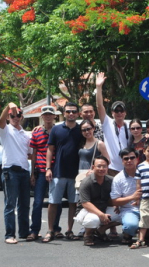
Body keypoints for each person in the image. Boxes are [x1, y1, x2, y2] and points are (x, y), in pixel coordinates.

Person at [44, 102, 83, 243]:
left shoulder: (81, 130)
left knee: (73, 203)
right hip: (58, 172)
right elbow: (50, 149)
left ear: (78, 113)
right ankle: (50, 230)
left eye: (74, 111)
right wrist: (48, 168)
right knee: (53, 202)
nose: (71, 114)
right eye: (68, 111)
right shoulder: (56, 129)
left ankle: (69, 230)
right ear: (64, 113)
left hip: (76, 174)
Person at [0, 102, 31, 244]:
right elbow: (0, 121)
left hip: (24, 171)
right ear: (9, 116)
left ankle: (24, 232)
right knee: (10, 205)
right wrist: (8, 107)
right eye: (12, 115)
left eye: (18, 115)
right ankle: (9, 235)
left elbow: (30, 154)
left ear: (22, 117)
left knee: (24, 204)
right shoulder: (5, 131)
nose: (15, 118)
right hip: (10, 171)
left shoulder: (26, 135)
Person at [28, 105, 59, 242]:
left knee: (55, 201)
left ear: (54, 116)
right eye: (45, 114)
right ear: (42, 117)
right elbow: (34, 153)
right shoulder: (36, 132)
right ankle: (34, 230)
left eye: (49, 114)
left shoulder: (58, 130)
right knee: (38, 202)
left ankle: (55, 229)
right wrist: (32, 173)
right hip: (40, 171)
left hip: (56, 170)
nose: (47, 117)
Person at [75, 156, 120, 246]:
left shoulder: (111, 180)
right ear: (93, 167)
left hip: (104, 208)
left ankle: (101, 230)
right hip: (87, 211)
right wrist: (101, 215)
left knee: (124, 214)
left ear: (107, 167)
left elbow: (115, 197)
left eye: (104, 166)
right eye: (99, 166)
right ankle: (88, 234)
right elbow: (85, 203)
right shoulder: (86, 182)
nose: (102, 169)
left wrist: (117, 205)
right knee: (92, 220)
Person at [95, 72, 131, 175]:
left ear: (125, 113)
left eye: (121, 111)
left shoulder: (130, 127)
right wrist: (98, 87)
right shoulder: (107, 123)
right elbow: (99, 106)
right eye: (116, 111)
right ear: (112, 113)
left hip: (128, 167)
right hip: (111, 168)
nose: (119, 113)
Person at [109, 148, 142, 246]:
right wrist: (132, 197)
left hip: (147, 207)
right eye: (126, 159)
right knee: (130, 225)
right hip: (129, 210)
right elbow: (114, 201)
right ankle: (128, 233)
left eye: (132, 158)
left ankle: (145, 233)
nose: (129, 161)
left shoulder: (144, 172)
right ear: (122, 161)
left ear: (137, 159)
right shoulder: (118, 178)